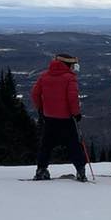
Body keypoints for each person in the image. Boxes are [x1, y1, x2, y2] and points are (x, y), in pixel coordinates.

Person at [30, 53, 87, 182]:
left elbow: (35, 93)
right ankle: (80, 170)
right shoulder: (69, 78)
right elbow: (72, 98)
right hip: (66, 118)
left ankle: (41, 170)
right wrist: (76, 113)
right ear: (67, 64)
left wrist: (41, 109)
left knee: (46, 144)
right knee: (73, 144)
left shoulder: (44, 76)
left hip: (49, 117)